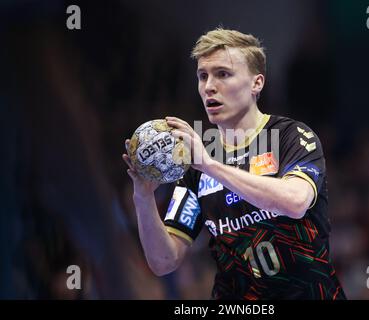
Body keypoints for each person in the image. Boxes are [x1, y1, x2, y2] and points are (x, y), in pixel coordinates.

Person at [122, 28, 346, 300]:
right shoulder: (195, 164)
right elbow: (163, 262)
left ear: (257, 83)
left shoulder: (291, 136)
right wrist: (143, 196)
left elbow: (296, 202)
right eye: (202, 76)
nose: (209, 86)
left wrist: (210, 165)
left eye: (223, 74)